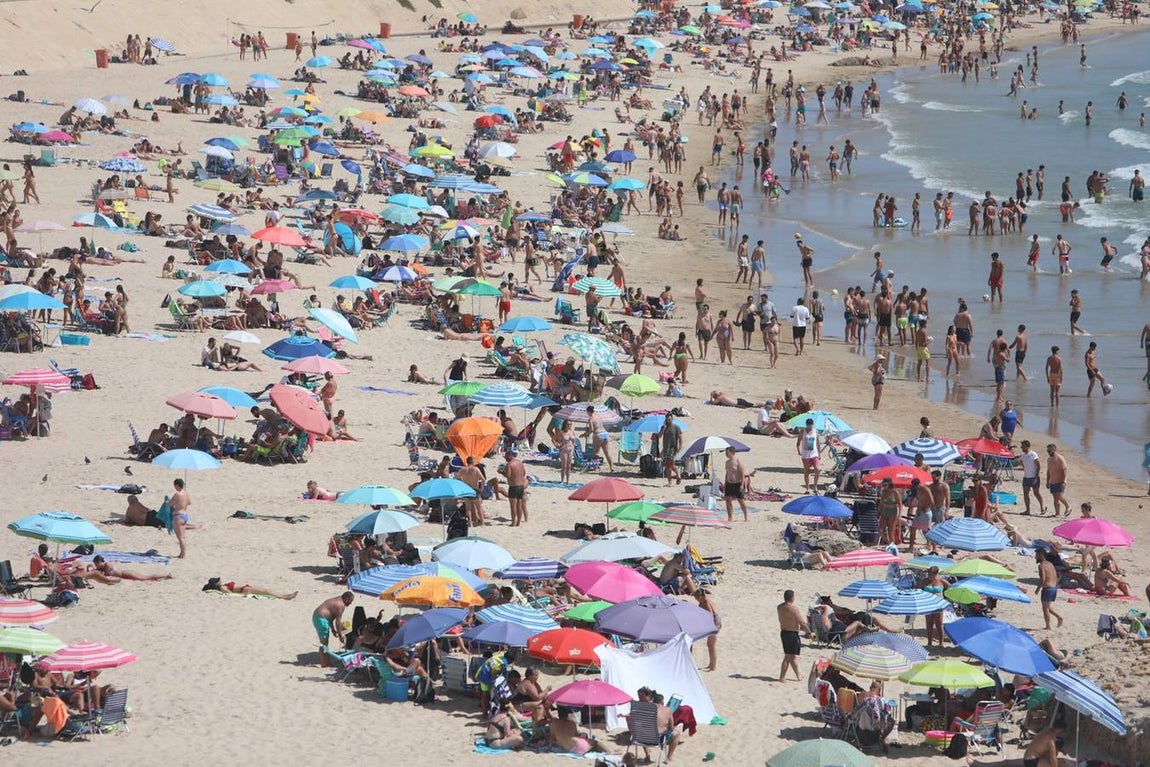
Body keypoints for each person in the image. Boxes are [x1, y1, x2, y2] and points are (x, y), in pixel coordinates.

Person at [313, 591, 354, 666]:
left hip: (320, 617)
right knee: (324, 643)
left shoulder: (337, 600)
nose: (350, 603)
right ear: (346, 599)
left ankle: (327, 662)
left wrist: (333, 630)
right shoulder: (341, 605)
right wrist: (340, 636)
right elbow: (338, 622)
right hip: (321, 619)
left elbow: (331, 617)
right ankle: (323, 663)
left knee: (325, 642)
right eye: (350, 601)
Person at [776, 589, 809, 681]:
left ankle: (799, 675)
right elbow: (802, 622)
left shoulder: (779, 607)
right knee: (788, 656)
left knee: (793, 656)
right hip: (791, 634)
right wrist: (809, 632)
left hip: (784, 632)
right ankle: (782, 677)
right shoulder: (793, 609)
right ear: (792, 598)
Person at [86, 555, 172, 583]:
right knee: (146, 577)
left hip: (126, 574)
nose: (96, 566)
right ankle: (166, 575)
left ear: (100, 562)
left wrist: (95, 570)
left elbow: (106, 575)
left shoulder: (108, 565)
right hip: (126, 574)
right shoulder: (105, 566)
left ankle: (166, 575)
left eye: (96, 564)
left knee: (146, 577)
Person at [1035, 550, 1064, 630]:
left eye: (1036, 555)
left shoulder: (1041, 566)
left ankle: (1048, 626)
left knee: (1045, 609)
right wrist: (1054, 585)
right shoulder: (1050, 564)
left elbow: (1042, 578)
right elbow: (1056, 576)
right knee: (1047, 607)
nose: (1035, 557)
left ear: (1040, 555)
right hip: (1054, 587)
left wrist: (1038, 589)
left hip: (1047, 589)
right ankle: (1059, 617)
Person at [694, 589, 721, 672]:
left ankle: (713, 666)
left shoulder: (706, 603)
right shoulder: (704, 602)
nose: (696, 599)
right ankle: (711, 664)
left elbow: (710, 616)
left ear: (701, 597)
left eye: (696, 598)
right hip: (715, 623)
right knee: (710, 645)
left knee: (711, 645)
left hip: (714, 624)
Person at [1018, 440, 1047, 516]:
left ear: (1027, 446)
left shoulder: (1033, 454)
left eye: (1023, 446)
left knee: (1036, 493)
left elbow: (1038, 466)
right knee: (1025, 493)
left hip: (1034, 477)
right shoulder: (1023, 455)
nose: (1021, 447)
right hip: (1026, 477)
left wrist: (1036, 477)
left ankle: (1042, 507)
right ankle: (1028, 510)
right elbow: (1021, 462)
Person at [202, 577, 297, 599]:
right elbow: (230, 593)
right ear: (216, 584)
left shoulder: (222, 586)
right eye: (218, 581)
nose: (220, 580)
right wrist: (244, 594)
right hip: (246, 590)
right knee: (267, 591)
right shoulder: (223, 588)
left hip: (246, 588)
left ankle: (284, 595)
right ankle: (286, 596)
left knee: (267, 590)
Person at [723, 446, 749, 522]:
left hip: (737, 483)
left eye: (727, 452)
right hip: (729, 483)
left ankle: (746, 517)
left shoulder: (738, 461)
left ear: (731, 452)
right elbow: (727, 473)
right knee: (728, 500)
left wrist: (742, 485)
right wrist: (725, 483)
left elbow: (742, 474)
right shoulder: (727, 462)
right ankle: (730, 517)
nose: (726, 454)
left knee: (740, 500)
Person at [796, 418, 820, 494]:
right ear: (806, 425)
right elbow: (798, 442)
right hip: (805, 455)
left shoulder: (815, 431)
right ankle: (807, 488)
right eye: (808, 425)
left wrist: (819, 453)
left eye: (811, 425)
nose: (809, 427)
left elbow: (818, 443)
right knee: (807, 471)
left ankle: (815, 486)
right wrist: (798, 449)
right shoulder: (803, 432)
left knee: (817, 469)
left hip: (814, 454)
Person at [504, 449, 528, 527]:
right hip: (521, 486)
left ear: (510, 456)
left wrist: (502, 473)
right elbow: (524, 473)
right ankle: (518, 522)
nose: (505, 458)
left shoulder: (509, 464)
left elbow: (508, 475)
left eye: (506, 456)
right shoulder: (520, 463)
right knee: (519, 504)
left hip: (513, 486)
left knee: (513, 506)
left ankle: (513, 522)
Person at [169, 477, 192, 558]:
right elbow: (189, 503)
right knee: (183, 537)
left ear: (177, 485)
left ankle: (182, 554)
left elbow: (169, 504)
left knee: (180, 537)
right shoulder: (187, 493)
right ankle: (182, 553)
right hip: (185, 516)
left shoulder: (177, 494)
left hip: (178, 516)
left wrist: (166, 502)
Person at [657, 413, 683, 485]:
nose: (668, 420)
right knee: (667, 466)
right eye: (667, 419)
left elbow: (680, 438)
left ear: (672, 419)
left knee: (671, 464)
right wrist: (664, 429)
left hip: (673, 449)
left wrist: (680, 447)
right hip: (665, 449)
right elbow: (659, 436)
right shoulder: (663, 427)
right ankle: (669, 482)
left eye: (670, 419)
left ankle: (678, 475)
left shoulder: (676, 427)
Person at [1046, 443, 1069, 516]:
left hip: (1060, 481)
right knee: (1055, 498)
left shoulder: (1060, 459)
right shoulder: (1049, 459)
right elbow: (1048, 471)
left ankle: (1068, 506)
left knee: (1059, 496)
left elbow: (1064, 470)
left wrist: (1064, 481)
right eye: (1048, 451)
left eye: (1050, 451)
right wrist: (1047, 481)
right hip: (1053, 481)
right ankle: (1057, 513)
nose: (1049, 452)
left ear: (1054, 450)